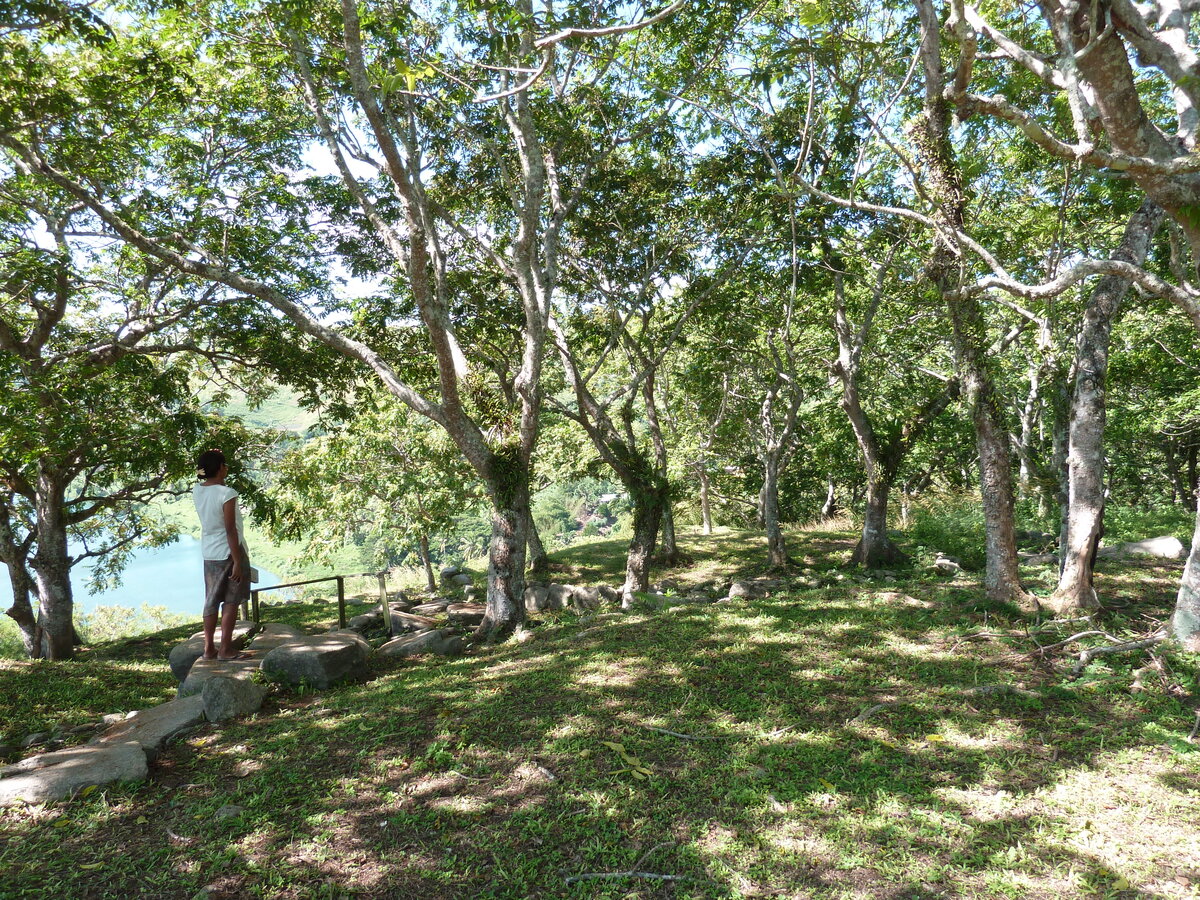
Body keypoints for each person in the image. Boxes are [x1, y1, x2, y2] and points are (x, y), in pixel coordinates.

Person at [192, 449, 251, 660]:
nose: (226, 467)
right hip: (228, 550)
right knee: (231, 600)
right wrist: (237, 560)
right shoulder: (227, 493)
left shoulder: (197, 490)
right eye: (224, 464)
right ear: (219, 468)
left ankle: (209, 649)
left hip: (209, 552)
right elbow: (230, 529)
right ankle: (225, 649)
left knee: (211, 600)